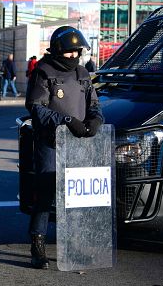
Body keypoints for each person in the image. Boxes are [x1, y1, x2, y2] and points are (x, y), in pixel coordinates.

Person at [24, 26, 104, 269]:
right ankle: (37, 245)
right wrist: (66, 121)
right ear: (59, 51)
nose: (74, 56)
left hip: (78, 144)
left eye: (77, 52)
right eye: (70, 52)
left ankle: (75, 245)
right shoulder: (43, 72)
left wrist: (96, 120)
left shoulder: (82, 73)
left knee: (77, 195)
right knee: (46, 192)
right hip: (50, 142)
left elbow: (94, 104)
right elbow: (36, 109)